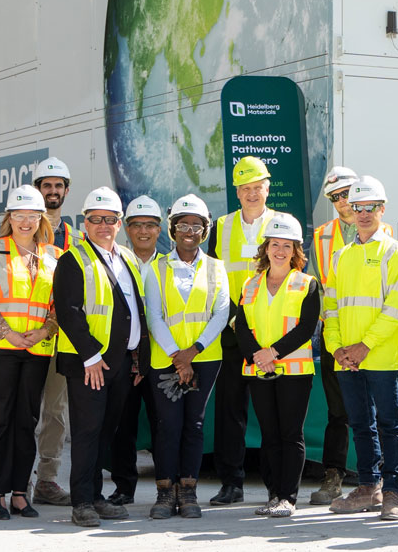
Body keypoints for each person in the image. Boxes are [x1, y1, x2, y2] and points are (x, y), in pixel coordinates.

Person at [54, 186, 150, 527]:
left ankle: (96, 496)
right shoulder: (73, 259)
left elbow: (135, 311)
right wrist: (91, 357)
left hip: (121, 362)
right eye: (96, 220)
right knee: (87, 432)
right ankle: (82, 501)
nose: (103, 226)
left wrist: (139, 357)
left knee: (106, 432)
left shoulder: (126, 259)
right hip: (89, 363)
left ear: (120, 223)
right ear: (85, 223)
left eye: (110, 219)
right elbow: (69, 312)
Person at [324, 176, 398, 521]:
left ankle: (392, 492)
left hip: (382, 357)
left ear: (382, 209)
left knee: (390, 423)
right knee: (360, 423)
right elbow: (330, 308)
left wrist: (364, 346)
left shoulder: (396, 253)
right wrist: (336, 348)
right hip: (346, 357)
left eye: (370, 207)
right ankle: (367, 486)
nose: (362, 214)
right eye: (357, 207)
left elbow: (396, 307)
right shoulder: (342, 256)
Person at [0, 185, 62, 520]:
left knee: (27, 421)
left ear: (41, 218)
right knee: (0, 420)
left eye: (32, 215)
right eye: (19, 214)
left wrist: (43, 330)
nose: (25, 221)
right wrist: (9, 334)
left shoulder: (54, 255)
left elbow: (58, 304)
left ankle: (20, 494)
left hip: (36, 348)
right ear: (8, 217)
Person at [308, 166, 395, 505]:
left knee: (378, 413)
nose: (343, 203)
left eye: (347, 194)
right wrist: (335, 342)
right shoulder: (322, 236)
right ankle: (333, 476)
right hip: (338, 337)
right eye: (335, 198)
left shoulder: (384, 231)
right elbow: (322, 292)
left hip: (374, 338)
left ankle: (380, 480)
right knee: (339, 412)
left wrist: (368, 340)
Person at [145, 194, 229, 519]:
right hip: (164, 362)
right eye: (183, 225)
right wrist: (176, 357)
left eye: (196, 225)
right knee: (167, 425)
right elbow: (154, 316)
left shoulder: (216, 268)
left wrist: (192, 353)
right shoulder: (156, 269)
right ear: (172, 229)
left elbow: (221, 314)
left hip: (204, 360)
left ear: (205, 230)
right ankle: (165, 493)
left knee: (193, 425)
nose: (189, 231)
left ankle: (189, 491)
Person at [235, 214, 320, 518]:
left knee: (290, 434)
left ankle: (288, 497)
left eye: (287, 245)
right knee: (269, 435)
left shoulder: (307, 284)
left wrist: (272, 352)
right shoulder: (251, 283)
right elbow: (242, 325)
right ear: (266, 248)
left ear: (296, 250)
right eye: (274, 244)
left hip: (295, 372)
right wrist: (257, 355)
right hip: (259, 370)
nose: (280, 250)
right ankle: (273, 495)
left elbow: (306, 327)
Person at [207, 156, 276, 505]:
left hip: (271, 332)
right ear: (237, 192)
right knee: (230, 411)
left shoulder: (283, 224)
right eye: (245, 188)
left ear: (267, 187)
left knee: (271, 413)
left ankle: (275, 485)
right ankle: (231, 483)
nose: (252, 194)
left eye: (257, 187)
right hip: (232, 331)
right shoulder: (221, 226)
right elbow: (212, 278)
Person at [31, 156, 82, 506]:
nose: (52, 191)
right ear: (38, 190)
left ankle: (46, 480)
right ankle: (15, 482)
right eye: (46, 185)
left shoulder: (76, 238)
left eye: (57, 185)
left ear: (66, 190)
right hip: (24, 336)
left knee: (55, 412)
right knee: (21, 411)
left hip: (61, 337)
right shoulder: (21, 231)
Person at [108, 195, 163, 506]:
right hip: (126, 361)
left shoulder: (168, 266)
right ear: (126, 228)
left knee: (163, 427)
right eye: (137, 225)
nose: (143, 231)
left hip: (161, 359)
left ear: (159, 230)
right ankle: (123, 488)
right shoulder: (117, 263)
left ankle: (166, 489)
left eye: (150, 225)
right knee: (123, 426)